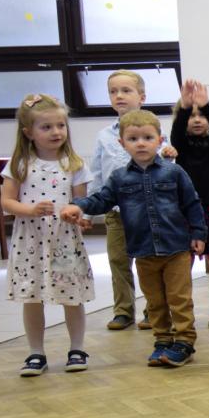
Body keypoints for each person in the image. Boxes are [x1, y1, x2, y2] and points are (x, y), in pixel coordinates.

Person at [62, 110, 206, 368]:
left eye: (147, 138)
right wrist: (79, 205)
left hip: (176, 249)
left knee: (179, 299)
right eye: (133, 138)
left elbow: (192, 203)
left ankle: (184, 341)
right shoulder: (119, 178)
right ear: (122, 143)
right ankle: (162, 340)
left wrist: (198, 233)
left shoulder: (174, 172)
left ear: (159, 140)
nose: (141, 143)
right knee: (155, 301)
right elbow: (101, 200)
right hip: (144, 251)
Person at [2, 94, 94, 376]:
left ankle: (77, 348)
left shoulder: (74, 164)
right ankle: (36, 352)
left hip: (64, 240)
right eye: (47, 127)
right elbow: (7, 202)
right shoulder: (19, 164)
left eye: (61, 125)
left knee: (71, 296)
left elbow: (81, 202)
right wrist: (30, 210)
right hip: (30, 241)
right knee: (32, 297)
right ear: (29, 132)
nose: (56, 132)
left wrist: (79, 216)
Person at [164, 80, 209, 330]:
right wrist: (184, 107)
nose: (197, 120)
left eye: (202, 116)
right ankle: (182, 311)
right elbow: (177, 132)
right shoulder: (180, 146)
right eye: (192, 116)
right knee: (183, 263)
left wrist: (207, 106)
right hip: (185, 211)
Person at [90, 69, 146, 331]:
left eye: (126, 90)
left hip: (147, 211)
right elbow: (97, 175)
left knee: (148, 263)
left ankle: (154, 309)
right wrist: (89, 212)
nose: (119, 96)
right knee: (118, 262)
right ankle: (123, 310)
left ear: (141, 97)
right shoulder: (104, 136)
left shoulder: (154, 130)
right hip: (116, 211)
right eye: (113, 92)